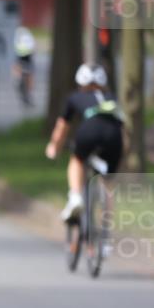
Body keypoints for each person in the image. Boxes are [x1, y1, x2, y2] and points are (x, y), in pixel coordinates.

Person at [46, 63, 124, 221]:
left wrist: (54, 147)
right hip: (114, 135)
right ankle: (107, 221)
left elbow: (62, 127)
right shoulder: (112, 98)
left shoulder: (75, 97)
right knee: (108, 178)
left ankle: (75, 197)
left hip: (89, 131)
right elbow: (123, 127)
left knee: (77, 160)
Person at [13, 26, 36, 107]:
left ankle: (27, 93)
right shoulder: (22, 35)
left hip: (25, 59)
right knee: (23, 77)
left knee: (26, 77)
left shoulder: (23, 35)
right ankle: (23, 88)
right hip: (22, 58)